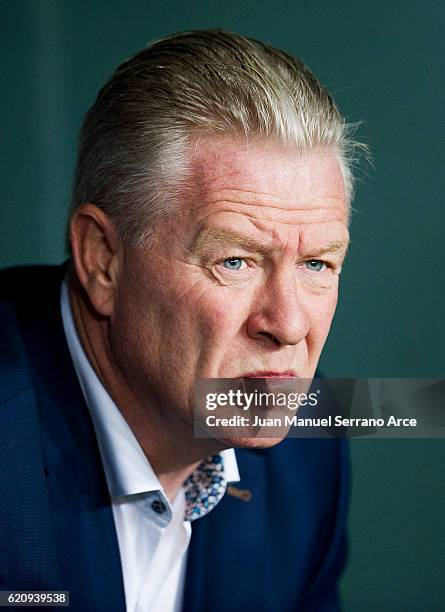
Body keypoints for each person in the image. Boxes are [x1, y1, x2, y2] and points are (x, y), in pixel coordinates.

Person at [0, 30, 357, 611]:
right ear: (103, 261)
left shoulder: (308, 457)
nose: (288, 324)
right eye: (235, 260)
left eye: (317, 263)